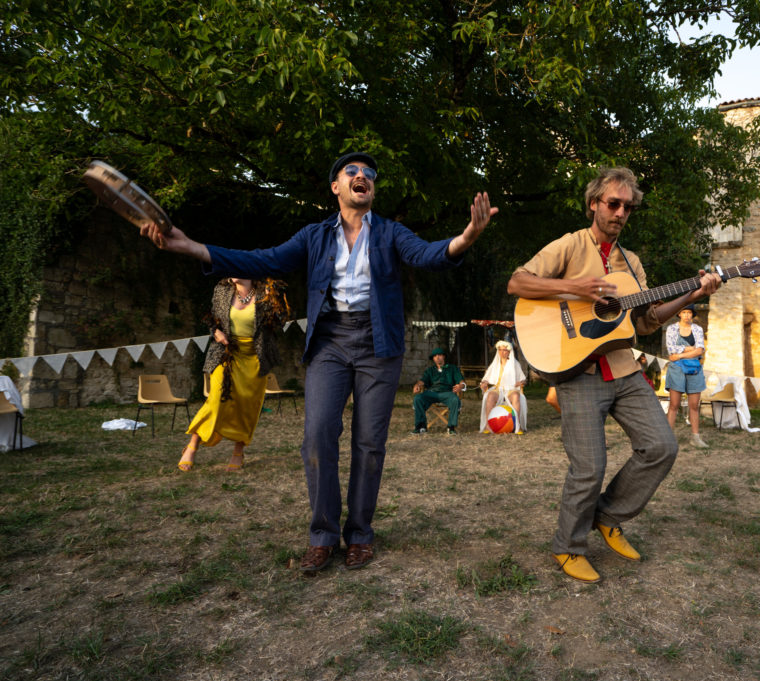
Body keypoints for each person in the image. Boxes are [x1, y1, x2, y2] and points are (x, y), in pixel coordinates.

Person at [141, 151, 497, 572]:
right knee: (316, 437)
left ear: (372, 190)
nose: (362, 176)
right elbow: (262, 259)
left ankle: (360, 535)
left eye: (369, 174)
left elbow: (428, 254)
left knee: (369, 445)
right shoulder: (314, 235)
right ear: (336, 187)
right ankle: (323, 536)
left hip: (379, 344)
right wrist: (188, 246)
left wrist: (469, 235)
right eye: (352, 172)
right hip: (329, 341)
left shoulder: (391, 233)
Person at [507, 166, 721, 583]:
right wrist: (576, 291)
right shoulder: (570, 246)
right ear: (594, 204)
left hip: (623, 369)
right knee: (589, 465)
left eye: (628, 207)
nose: (621, 212)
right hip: (578, 371)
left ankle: (607, 516)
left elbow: (644, 321)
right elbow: (518, 282)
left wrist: (692, 294)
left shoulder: (631, 263)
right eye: (613, 203)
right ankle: (568, 547)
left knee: (662, 446)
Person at [178, 277, 289, 472]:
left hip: (255, 357)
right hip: (227, 354)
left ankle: (238, 450)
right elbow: (211, 319)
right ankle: (193, 444)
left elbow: (280, 322)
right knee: (216, 399)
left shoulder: (266, 292)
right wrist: (216, 333)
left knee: (247, 406)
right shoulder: (221, 290)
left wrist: (277, 302)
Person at [664, 305, 708, 448]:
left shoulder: (697, 329)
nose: (687, 315)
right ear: (679, 314)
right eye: (684, 312)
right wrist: (690, 349)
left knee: (694, 405)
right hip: (676, 369)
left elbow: (700, 350)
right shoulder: (671, 329)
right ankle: (669, 439)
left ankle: (695, 438)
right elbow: (671, 349)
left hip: (694, 368)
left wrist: (680, 355)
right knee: (674, 404)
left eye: (689, 312)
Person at [412, 348, 466, 434]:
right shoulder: (430, 370)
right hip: (432, 393)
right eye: (435, 356)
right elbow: (423, 380)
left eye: (439, 355)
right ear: (433, 358)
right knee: (418, 398)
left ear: (443, 356)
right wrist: (417, 385)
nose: (437, 357)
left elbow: (461, 382)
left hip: (447, 393)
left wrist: (460, 386)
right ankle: (421, 427)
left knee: (455, 399)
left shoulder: (452, 368)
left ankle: (451, 427)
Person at [478, 340, 528, 433]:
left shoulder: (515, 364)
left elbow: (524, 380)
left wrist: (521, 383)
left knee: (516, 396)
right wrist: (484, 382)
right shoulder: (495, 364)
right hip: (498, 388)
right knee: (490, 396)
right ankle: (488, 426)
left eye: (504, 350)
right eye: (500, 350)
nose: (502, 352)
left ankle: (516, 425)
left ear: (509, 352)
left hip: (511, 389)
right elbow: (486, 378)